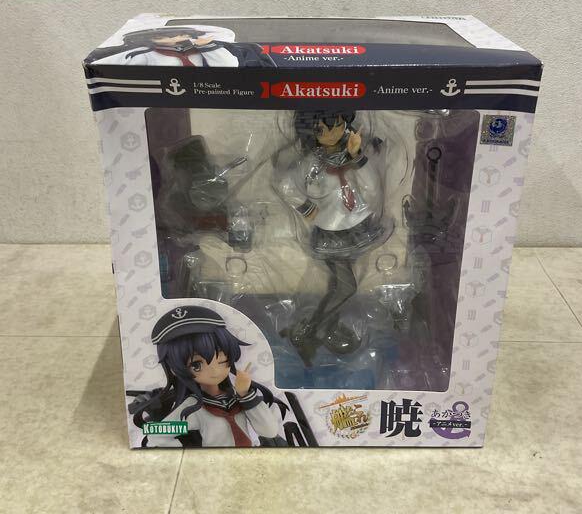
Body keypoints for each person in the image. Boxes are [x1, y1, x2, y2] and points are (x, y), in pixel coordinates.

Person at [273, 109, 391, 364]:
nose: (330, 133)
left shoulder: (351, 156)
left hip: (356, 225)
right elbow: (284, 184)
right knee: (347, 286)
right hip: (330, 231)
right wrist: (306, 207)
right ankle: (314, 329)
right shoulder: (311, 163)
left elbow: (372, 187)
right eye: (320, 129)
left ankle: (322, 327)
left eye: (336, 125)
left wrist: (357, 155)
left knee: (338, 285)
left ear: (345, 124)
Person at [130, 305, 286, 447]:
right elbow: (158, 435)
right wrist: (189, 454)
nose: (215, 371)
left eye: (222, 360)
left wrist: (245, 395)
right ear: (175, 369)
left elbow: (269, 431)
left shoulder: (238, 398)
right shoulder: (193, 408)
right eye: (196, 365)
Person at [87, 25, 275, 67]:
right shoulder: (143, 54)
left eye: (179, 35)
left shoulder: (207, 49)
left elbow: (229, 67)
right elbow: (103, 66)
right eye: (161, 37)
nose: (172, 39)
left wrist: (208, 47)